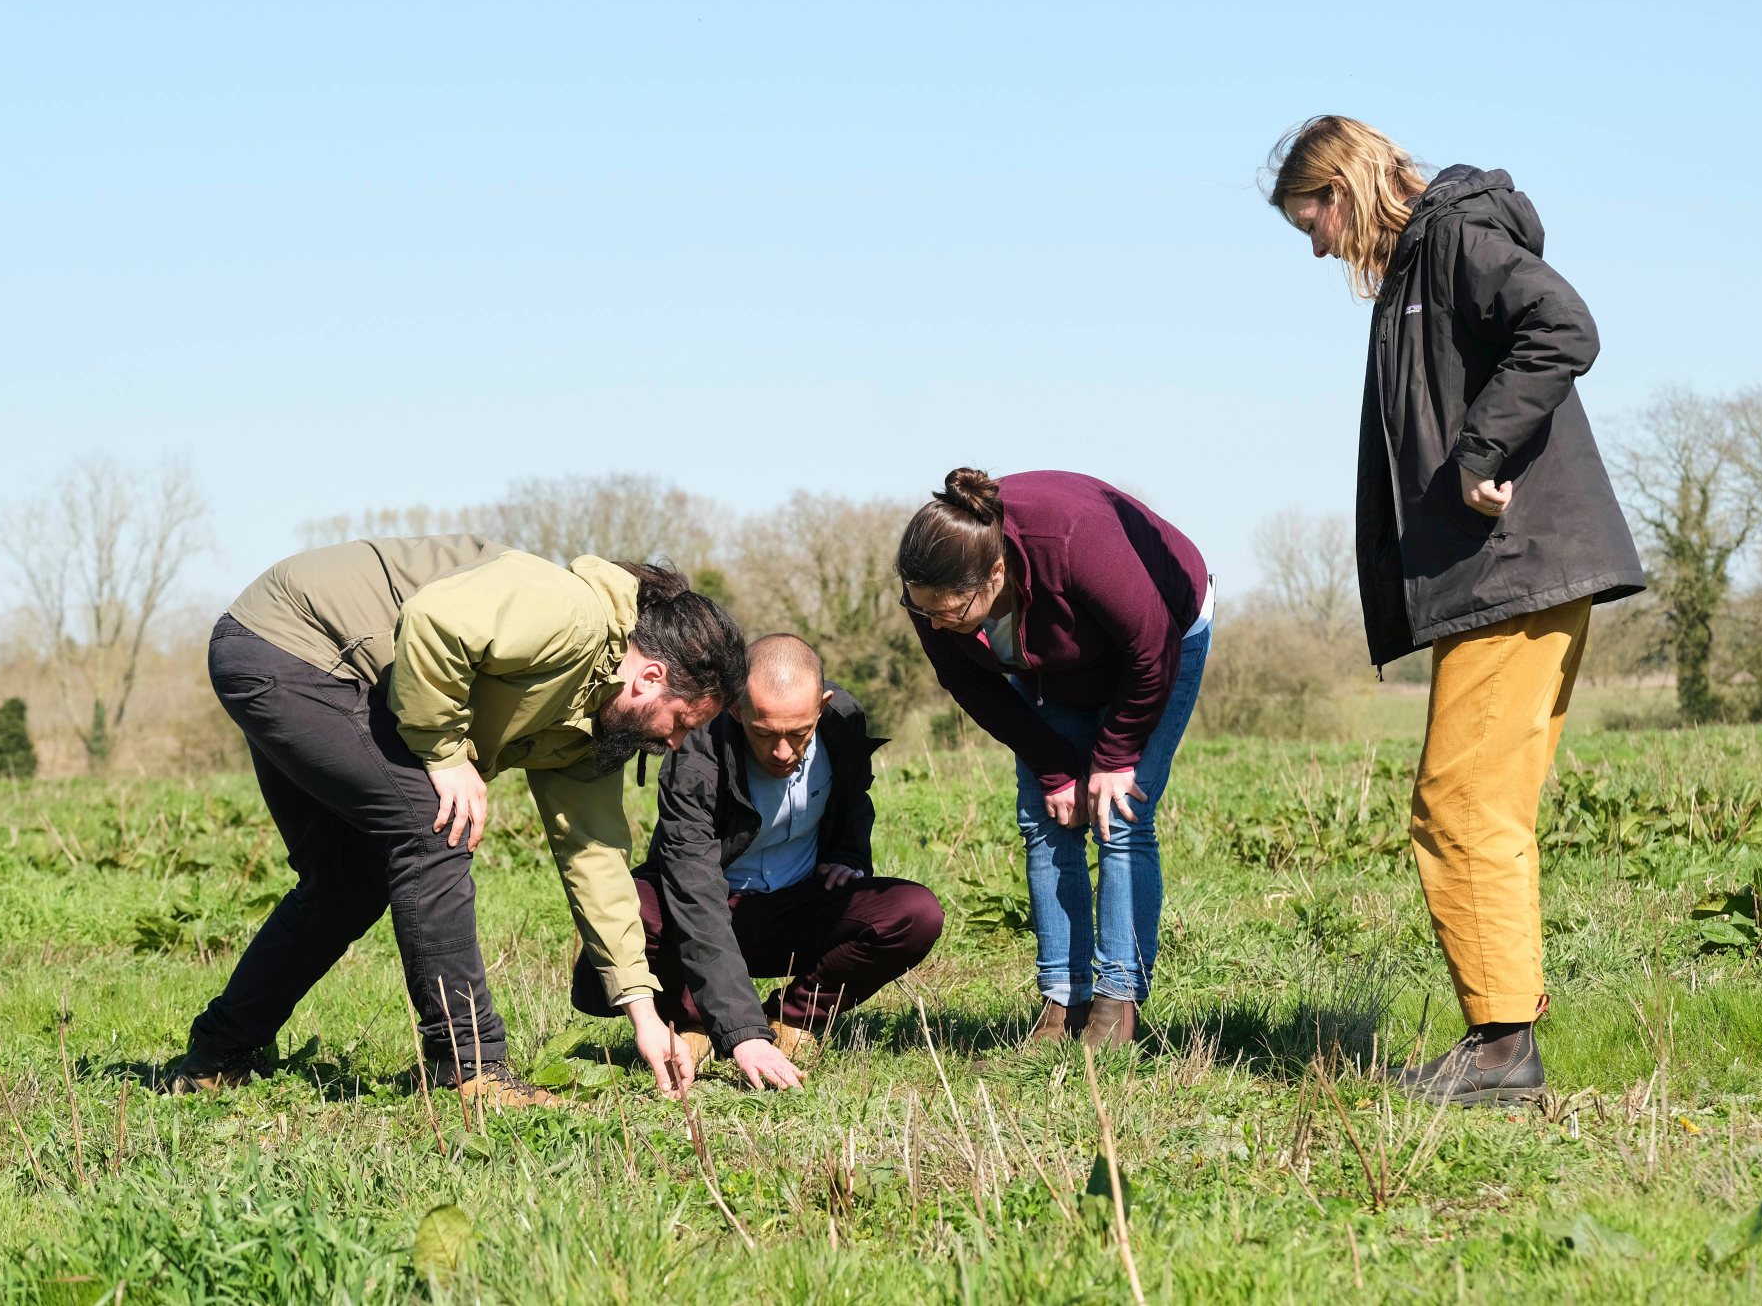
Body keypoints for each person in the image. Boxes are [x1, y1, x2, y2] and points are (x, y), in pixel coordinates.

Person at [1267, 116, 1643, 1104]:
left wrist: (1482, 452)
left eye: (1309, 219)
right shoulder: (1414, 272)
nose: (1313, 245)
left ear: (1339, 193)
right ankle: (1499, 1036)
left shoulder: (1456, 241)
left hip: (1512, 571)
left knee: (1458, 805)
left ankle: (1500, 1050)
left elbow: (1563, 326)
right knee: (1480, 804)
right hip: (1498, 577)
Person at [165, 535, 746, 1105]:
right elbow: (433, 618)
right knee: (434, 823)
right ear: (650, 679)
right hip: (293, 645)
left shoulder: (595, 726)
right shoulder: (570, 613)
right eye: (682, 723)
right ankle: (471, 1069)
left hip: (309, 667)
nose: (675, 745)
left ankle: (217, 1057)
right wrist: (442, 753)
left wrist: (641, 1012)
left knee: (345, 884)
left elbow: (595, 857)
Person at [896, 469, 1211, 1048]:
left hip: (1162, 636)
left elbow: (1150, 645)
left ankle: (1118, 1005)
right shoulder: (937, 591)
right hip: (1050, 665)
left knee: (1119, 812)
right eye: (924, 612)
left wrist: (1114, 755)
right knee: (1046, 817)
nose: (936, 624)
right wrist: (1055, 767)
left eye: (950, 612)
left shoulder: (1073, 538)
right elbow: (973, 685)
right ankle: (1063, 1002)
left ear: (995, 575)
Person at [574, 634, 944, 1089]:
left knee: (914, 913)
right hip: (708, 910)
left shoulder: (844, 719)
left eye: (798, 733)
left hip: (799, 909)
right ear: (736, 709)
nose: (784, 751)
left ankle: (792, 1018)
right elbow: (692, 890)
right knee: (627, 908)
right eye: (765, 733)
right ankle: (694, 1022)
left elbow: (855, 796)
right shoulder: (694, 750)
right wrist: (743, 1035)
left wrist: (847, 855)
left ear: (822, 707)